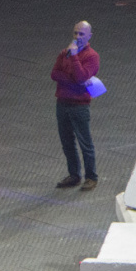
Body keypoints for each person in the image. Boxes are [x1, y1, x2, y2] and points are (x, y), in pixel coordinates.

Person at [51, 21, 100, 191]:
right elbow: (54, 74)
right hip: (62, 104)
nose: (77, 37)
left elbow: (81, 76)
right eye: (75, 33)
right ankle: (74, 175)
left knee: (85, 142)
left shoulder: (92, 56)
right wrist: (74, 82)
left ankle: (91, 177)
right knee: (67, 142)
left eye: (81, 34)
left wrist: (73, 57)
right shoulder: (64, 53)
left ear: (89, 36)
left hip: (79, 106)